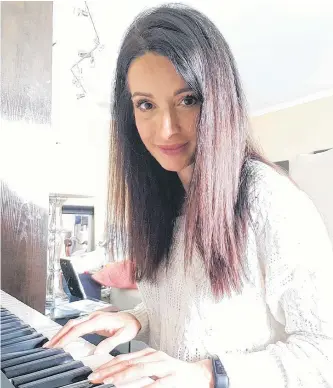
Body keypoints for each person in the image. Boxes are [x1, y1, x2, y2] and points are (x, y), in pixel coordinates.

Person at [44, 4, 333, 387]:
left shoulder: (269, 200)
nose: (166, 130)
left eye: (188, 100)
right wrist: (137, 318)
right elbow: (191, 311)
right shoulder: (164, 200)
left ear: (219, 99)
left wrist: (210, 374)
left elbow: (323, 352)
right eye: (146, 105)